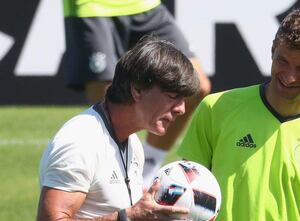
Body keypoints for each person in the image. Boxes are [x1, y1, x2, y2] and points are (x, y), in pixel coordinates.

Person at [177, 7, 300, 221]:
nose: (289, 76)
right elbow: (185, 194)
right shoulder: (216, 109)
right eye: (283, 61)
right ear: (272, 51)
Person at [37, 37, 199, 221]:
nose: (181, 109)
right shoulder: (80, 142)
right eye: (173, 96)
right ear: (137, 90)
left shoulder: (132, 142)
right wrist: (126, 217)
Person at [62, 0, 211, 186]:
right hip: (92, 7)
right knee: (110, 102)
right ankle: (111, 180)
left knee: (197, 86)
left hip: (146, 6)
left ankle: (147, 171)